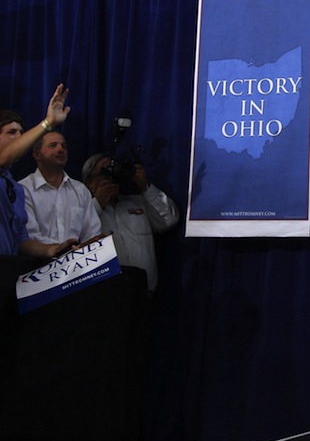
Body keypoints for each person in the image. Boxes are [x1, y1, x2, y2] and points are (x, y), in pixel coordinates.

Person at [82, 153, 179, 292]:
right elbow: (75, 237)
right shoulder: (82, 210)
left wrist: (146, 187)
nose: (111, 178)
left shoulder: (137, 202)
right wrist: (98, 203)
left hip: (144, 295)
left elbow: (169, 220)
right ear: (90, 183)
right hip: (105, 297)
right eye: (105, 172)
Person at [0, 84, 77, 257]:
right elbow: (3, 158)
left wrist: (53, 250)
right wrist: (48, 122)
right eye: (11, 132)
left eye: (21, 132)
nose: (19, 137)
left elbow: (22, 241)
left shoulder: (16, 189)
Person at [19, 130, 101, 246]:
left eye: (64, 146)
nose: (60, 149)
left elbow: (92, 233)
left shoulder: (80, 190)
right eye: (53, 145)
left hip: (79, 261)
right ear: (37, 154)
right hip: (38, 261)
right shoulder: (24, 189)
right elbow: (28, 237)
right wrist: (62, 250)